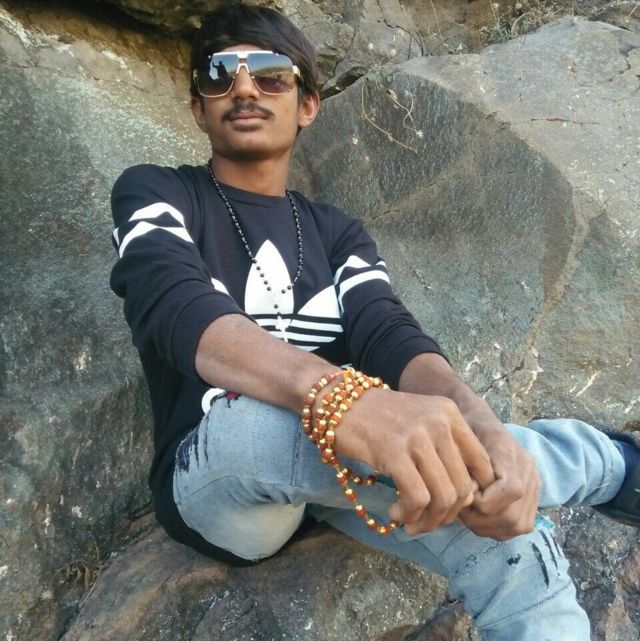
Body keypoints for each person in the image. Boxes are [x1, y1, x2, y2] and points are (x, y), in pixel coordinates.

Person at [109, 5, 639, 640]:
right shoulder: (156, 191)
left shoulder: (335, 231)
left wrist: (481, 424)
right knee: (251, 420)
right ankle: (607, 466)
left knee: (512, 537)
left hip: (342, 479)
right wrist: (344, 402)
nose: (244, 88)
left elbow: (388, 334)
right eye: (220, 74)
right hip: (220, 474)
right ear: (199, 107)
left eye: (271, 74)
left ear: (308, 104)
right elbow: (175, 307)